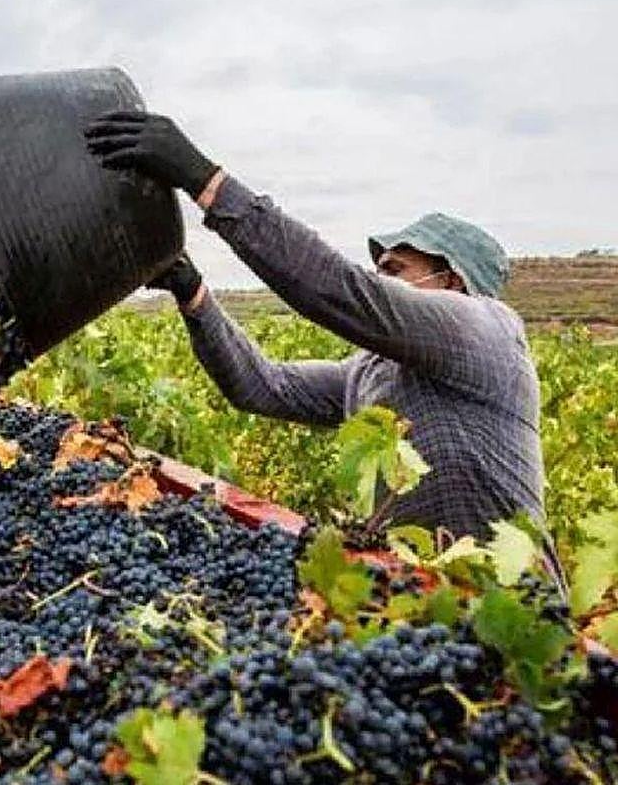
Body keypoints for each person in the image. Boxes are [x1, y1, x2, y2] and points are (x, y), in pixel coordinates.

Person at [83, 110, 552, 549]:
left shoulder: (486, 330)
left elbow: (345, 292)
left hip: (508, 600)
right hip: (418, 596)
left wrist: (207, 183)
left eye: (395, 270)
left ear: (452, 281)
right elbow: (261, 386)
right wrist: (193, 294)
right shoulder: (368, 376)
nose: (381, 279)